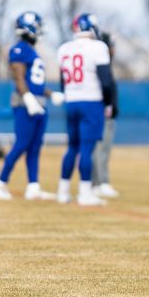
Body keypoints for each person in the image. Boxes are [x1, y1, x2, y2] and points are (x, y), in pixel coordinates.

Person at [0, 12, 63, 201]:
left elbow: (35, 82)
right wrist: (28, 98)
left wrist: (50, 94)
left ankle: (33, 187)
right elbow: (19, 78)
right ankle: (0, 182)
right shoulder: (19, 49)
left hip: (38, 101)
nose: (40, 31)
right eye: (37, 26)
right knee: (22, 143)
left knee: (35, 146)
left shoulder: (32, 51)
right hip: (25, 103)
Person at [55, 13, 115, 206]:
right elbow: (106, 80)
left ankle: (63, 191)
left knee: (72, 147)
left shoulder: (64, 48)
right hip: (91, 101)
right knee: (86, 149)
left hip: (71, 100)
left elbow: (63, 80)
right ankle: (85, 193)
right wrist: (108, 103)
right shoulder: (98, 47)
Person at [89, 31, 120, 198]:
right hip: (102, 113)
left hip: (107, 113)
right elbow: (105, 88)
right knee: (100, 150)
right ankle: (99, 183)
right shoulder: (101, 64)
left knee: (104, 150)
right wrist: (107, 106)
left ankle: (100, 182)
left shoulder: (106, 64)